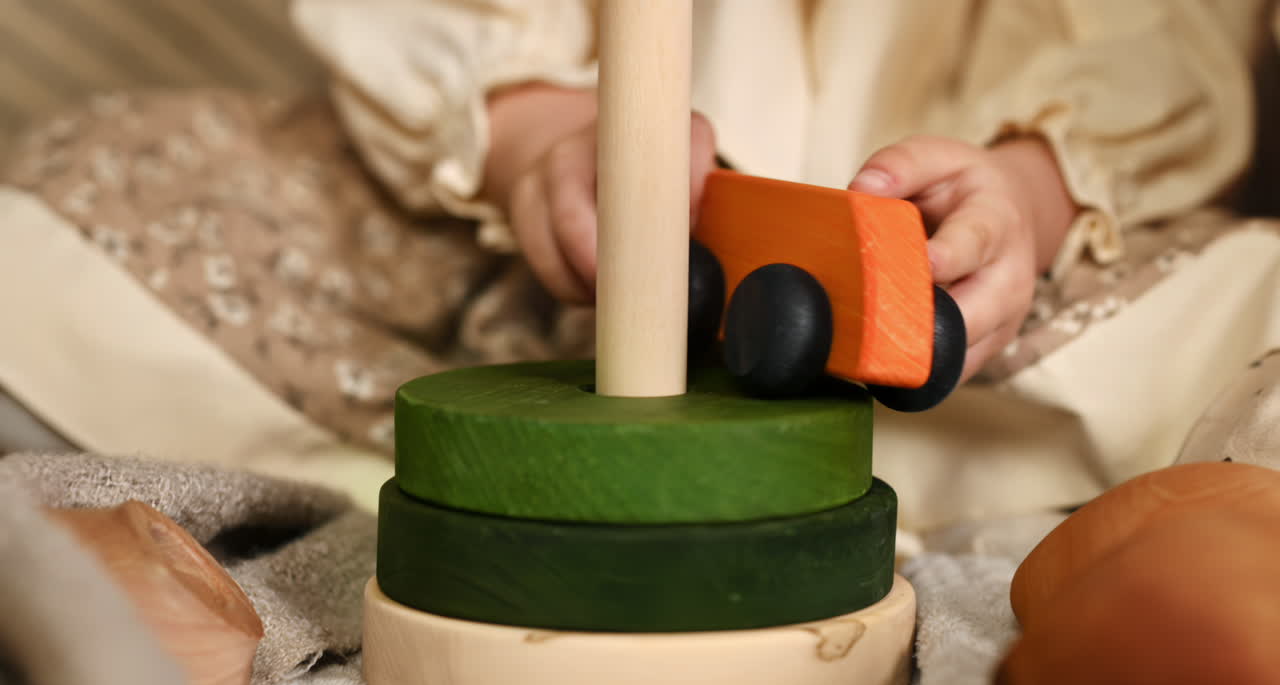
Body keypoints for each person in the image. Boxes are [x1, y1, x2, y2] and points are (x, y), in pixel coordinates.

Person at [284, 0, 1280, 529]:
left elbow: (1158, 45)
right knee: (244, 192)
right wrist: (538, 137)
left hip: (1007, 347)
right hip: (561, 291)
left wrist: (1027, 190)